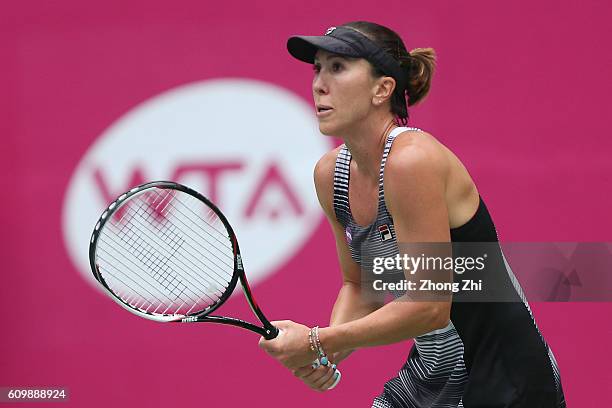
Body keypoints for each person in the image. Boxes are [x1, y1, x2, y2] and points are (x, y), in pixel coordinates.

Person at [259, 21, 566, 407]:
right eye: (317, 68)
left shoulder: (411, 161)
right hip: (431, 374)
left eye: (337, 67)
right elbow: (360, 285)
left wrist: (320, 340)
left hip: (507, 380)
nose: (319, 83)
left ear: (382, 89)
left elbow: (429, 307)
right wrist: (325, 353)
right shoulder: (330, 175)